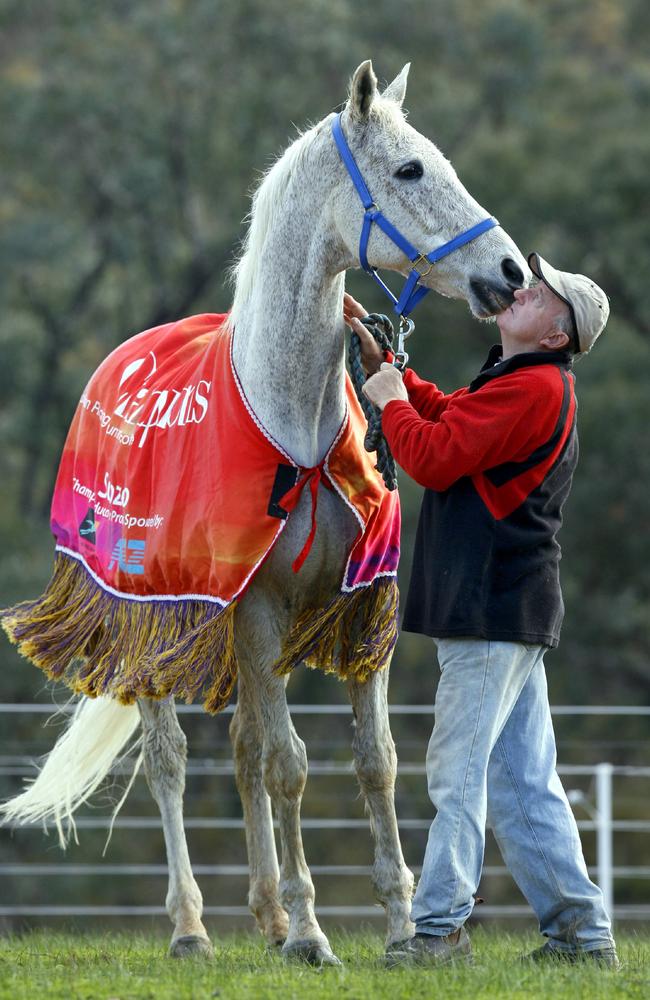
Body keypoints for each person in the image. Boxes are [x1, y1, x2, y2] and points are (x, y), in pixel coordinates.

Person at [344, 252, 619, 969]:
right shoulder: (524, 380)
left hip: (491, 606)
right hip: (508, 607)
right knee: (524, 784)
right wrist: (397, 377)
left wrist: (387, 400)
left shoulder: (532, 388)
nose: (525, 290)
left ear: (556, 334)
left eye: (541, 294)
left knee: (456, 771)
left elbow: (433, 458)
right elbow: (453, 421)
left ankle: (438, 932)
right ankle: (582, 938)